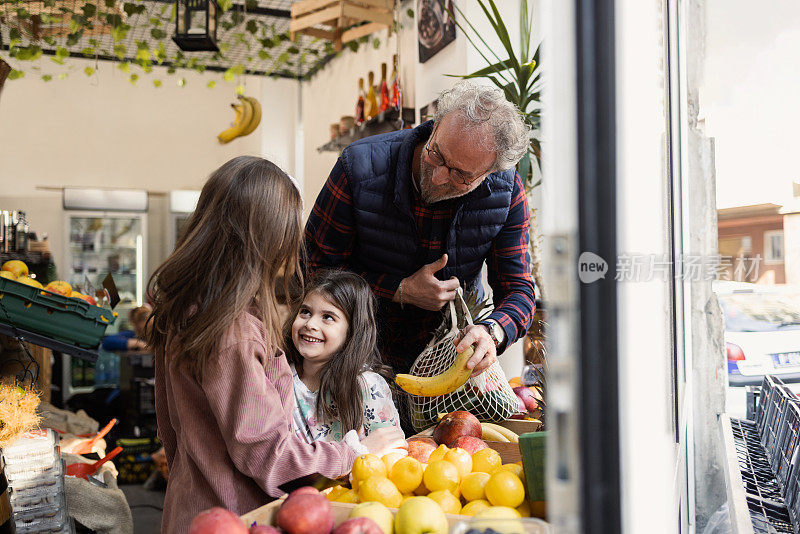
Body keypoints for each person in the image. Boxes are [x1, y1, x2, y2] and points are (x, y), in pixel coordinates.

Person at [147, 156, 406, 533]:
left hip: (194, 510)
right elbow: (270, 456)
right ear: (267, 240)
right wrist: (356, 454)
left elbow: (170, 431)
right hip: (238, 517)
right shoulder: (232, 332)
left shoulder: (186, 311)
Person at [305, 81, 536, 377]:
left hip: (451, 365)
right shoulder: (359, 167)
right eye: (436, 155)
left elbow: (519, 290)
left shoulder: (506, 190)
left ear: (492, 172)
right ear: (435, 124)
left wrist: (492, 332)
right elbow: (314, 268)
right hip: (358, 360)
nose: (439, 178)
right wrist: (399, 289)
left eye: (461, 175)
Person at [285, 269, 403, 444]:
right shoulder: (280, 375)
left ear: (352, 332)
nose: (310, 324)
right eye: (305, 312)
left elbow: (392, 451)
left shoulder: (367, 385)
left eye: (328, 317)